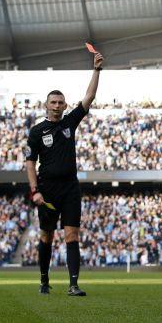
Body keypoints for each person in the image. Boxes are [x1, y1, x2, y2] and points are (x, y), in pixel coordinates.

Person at [25, 50, 104, 296]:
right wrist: (34, 190)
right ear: (46, 105)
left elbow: (89, 97)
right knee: (47, 236)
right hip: (47, 189)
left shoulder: (70, 122)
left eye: (61, 102)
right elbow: (29, 162)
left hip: (70, 187)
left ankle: (73, 285)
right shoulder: (37, 131)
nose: (57, 106)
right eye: (53, 102)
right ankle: (44, 280)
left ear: (65, 105)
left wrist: (97, 70)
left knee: (72, 235)